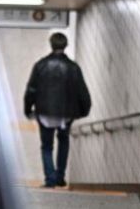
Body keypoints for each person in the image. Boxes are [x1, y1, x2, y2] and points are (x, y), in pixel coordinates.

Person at [24, 32, 91, 189]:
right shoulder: (73, 68)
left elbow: (31, 90)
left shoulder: (40, 65)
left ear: (51, 44)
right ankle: (60, 176)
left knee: (47, 146)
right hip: (66, 114)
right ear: (65, 45)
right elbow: (82, 91)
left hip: (45, 113)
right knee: (63, 141)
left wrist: (28, 110)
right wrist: (83, 111)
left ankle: (50, 179)